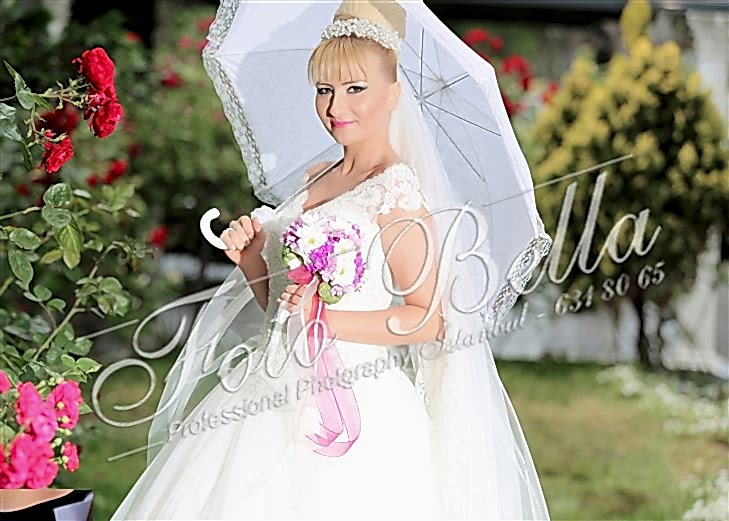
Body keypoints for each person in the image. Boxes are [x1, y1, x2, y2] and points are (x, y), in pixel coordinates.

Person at [111, 1, 551, 519]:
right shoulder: (315, 177)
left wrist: (325, 320)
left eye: (355, 88)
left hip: (353, 393)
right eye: (324, 89)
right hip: (267, 384)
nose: (335, 105)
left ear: (393, 94)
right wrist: (252, 259)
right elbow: (281, 308)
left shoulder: (397, 191)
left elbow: (427, 319)